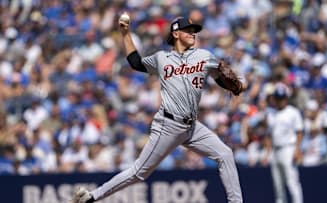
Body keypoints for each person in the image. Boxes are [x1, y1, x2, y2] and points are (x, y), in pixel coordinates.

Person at [71, 15, 246, 203]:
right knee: (139, 173)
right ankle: (91, 197)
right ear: (176, 33)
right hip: (168, 125)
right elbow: (136, 63)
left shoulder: (204, 56)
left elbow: (223, 80)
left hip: (192, 127)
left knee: (225, 154)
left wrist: (236, 86)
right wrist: (125, 33)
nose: (193, 34)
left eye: (194, 31)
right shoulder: (162, 58)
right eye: (188, 30)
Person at [266, 83, 304, 203]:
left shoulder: (293, 112)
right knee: (278, 186)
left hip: (288, 149)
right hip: (275, 150)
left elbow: (299, 132)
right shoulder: (271, 114)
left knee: (292, 183)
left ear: (286, 98)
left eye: (282, 98)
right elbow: (269, 135)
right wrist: (267, 153)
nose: (280, 101)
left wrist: (297, 150)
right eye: (277, 98)